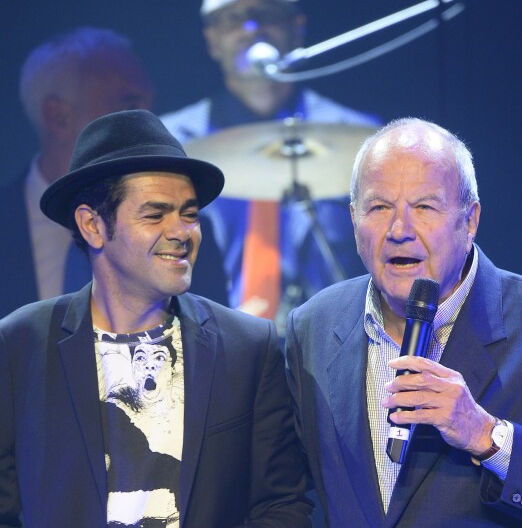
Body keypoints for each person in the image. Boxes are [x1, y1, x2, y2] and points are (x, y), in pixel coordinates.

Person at [0, 109, 312, 526]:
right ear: (92, 225)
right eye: (155, 214)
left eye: (189, 213)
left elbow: (281, 504)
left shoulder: (248, 347)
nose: (182, 231)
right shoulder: (21, 344)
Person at [285, 117, 522, 526]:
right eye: (379, 207)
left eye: (424, 207)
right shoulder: (312, 325)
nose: (399, 229)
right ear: (354, 219)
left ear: (470, 220)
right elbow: (283, 492)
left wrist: (486, 435)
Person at [161, 0, 381, 322]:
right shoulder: (171, 140)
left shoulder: (360, 135)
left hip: (326, 341)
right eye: (232, 19)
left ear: (297, 29)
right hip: (205, 341)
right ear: (212, 40)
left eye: (267, 14)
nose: (251, 28)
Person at [0, 26, 227, 319]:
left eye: (149, 103)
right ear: (58, 117)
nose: (147, 118)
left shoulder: (186, 232)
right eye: (128, 103)